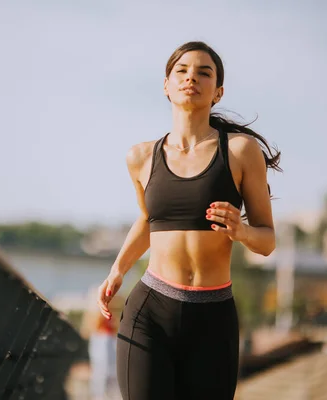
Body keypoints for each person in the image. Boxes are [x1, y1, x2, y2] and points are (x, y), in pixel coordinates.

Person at [96, 41, 281, 400]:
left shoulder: (240, 151)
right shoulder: (141, 157)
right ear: (166, 85)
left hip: (213, 318)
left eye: (203, 72)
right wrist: (118, 268)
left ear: (218, 92)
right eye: (181, 71)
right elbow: (148, 221)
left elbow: (268, 240)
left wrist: (241, 231)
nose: (191, 78)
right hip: (150, 310)